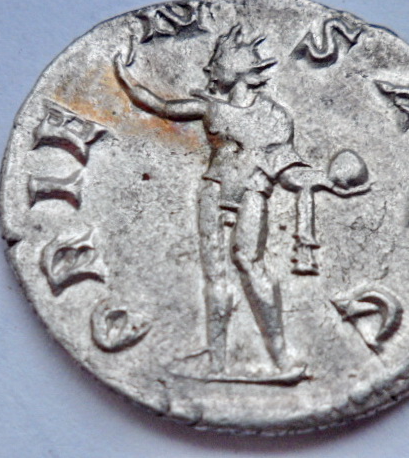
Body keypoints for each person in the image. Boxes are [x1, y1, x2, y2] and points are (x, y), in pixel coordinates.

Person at [114, 25, 306, 374]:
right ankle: (216, 361)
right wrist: (124, 76)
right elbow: (160, 106)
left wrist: (318, 182)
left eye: (216, 61)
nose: (208, 68)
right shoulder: (209, 107)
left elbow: (284, 167)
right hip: (213, 189)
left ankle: (281, 357)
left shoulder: (276, 116)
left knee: (248, 263)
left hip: (252, 192)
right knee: (215, 274)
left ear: (239, 68)